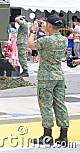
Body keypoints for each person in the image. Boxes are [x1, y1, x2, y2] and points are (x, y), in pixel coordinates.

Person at [28, 14, 69, 146]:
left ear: (50, 26)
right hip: (59, 76)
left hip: (46, 77)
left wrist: (34, 30)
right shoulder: (64, 40)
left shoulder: (46, 40)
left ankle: (47, 136)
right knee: (60, 105)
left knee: (46, 105)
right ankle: (63, 136)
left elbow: (30, 44)